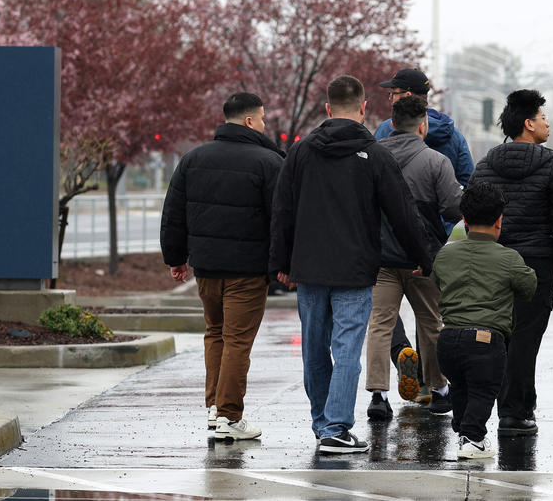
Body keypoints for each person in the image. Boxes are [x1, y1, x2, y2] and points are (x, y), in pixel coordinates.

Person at [268, 75, 431, 454]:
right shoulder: (374, 155)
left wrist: (280, 262)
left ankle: (323, 424)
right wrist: (421, 257)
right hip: (355, 270)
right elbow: (402, 212)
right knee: (346, 350)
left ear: (327, 109)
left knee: (313, 349)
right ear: (363, 109)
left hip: (308, 268)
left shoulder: (301, 152)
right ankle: (336, 428)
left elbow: (282, 209)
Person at [160, 92, 284, 442]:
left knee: (215, 333)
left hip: (206, 268)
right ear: (248, 121)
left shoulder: (193, 159)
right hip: (247, 271)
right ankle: (229, 416)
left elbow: (173, 213)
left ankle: (215, 409)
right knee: (237, 341)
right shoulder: (268, 162)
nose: (263, 125)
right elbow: (280, 220)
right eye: (261, 119)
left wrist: (175, 258)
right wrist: (283, 265)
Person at [470, 89, 553, 436]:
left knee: (498, 336)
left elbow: (471, 209)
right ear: (529, 124)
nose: (549, 123)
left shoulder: (486, 164)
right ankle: (516, 412)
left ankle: (493, 407)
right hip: (536, 264)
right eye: (544, 118)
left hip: (492, 262)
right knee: (527, 338)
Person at [374, 67, 475, 405]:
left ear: (406, 96)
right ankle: (436, 385)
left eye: (393, 93)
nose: (389, 98)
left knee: (381, 319)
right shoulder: (452, 137)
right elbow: (465, 186)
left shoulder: (382, 137)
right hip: (430, 243)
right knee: (431, 317)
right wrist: (438, 230)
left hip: (386, 244)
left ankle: (391, 376)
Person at [432, 181, 537, 459]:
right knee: (483, 389)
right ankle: (474, 438)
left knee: (461, 386)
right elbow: (529, 287)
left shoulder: (445, 254)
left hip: (448, 339)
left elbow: (436, 281)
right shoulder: (509, 258)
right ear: (499, 221)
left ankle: (464, 430)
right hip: (486, 340)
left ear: (464, 220)